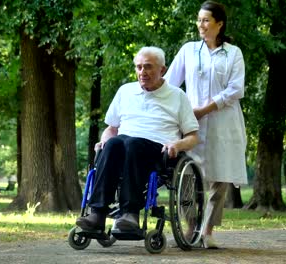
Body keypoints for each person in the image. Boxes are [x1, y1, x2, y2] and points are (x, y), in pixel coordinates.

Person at [76, 46, 199, 232]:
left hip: (158, 151)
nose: (143, 72)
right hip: (123, 146)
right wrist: (104, 140)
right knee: (114, 142)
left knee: (132, 143)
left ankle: (130, 213)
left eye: (148, 67)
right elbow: (111, 128)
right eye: (139, 67)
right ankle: (97, 213)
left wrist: (177, 144)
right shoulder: (125, 91)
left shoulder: (177, 96)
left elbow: (192, 136)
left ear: (162, 70)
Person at [164, 1, 248, 249]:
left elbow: (235, 89)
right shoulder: (189, 50)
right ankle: (191, 228)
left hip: (224, 122)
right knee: (189, 174)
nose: (201, 25)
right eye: (199, 20)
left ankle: (208, 231)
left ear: (219, 24)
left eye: (206, 20)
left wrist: (204, 109)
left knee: (219, 179)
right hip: (192, 123)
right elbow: (169, 83)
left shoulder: (233, 53)